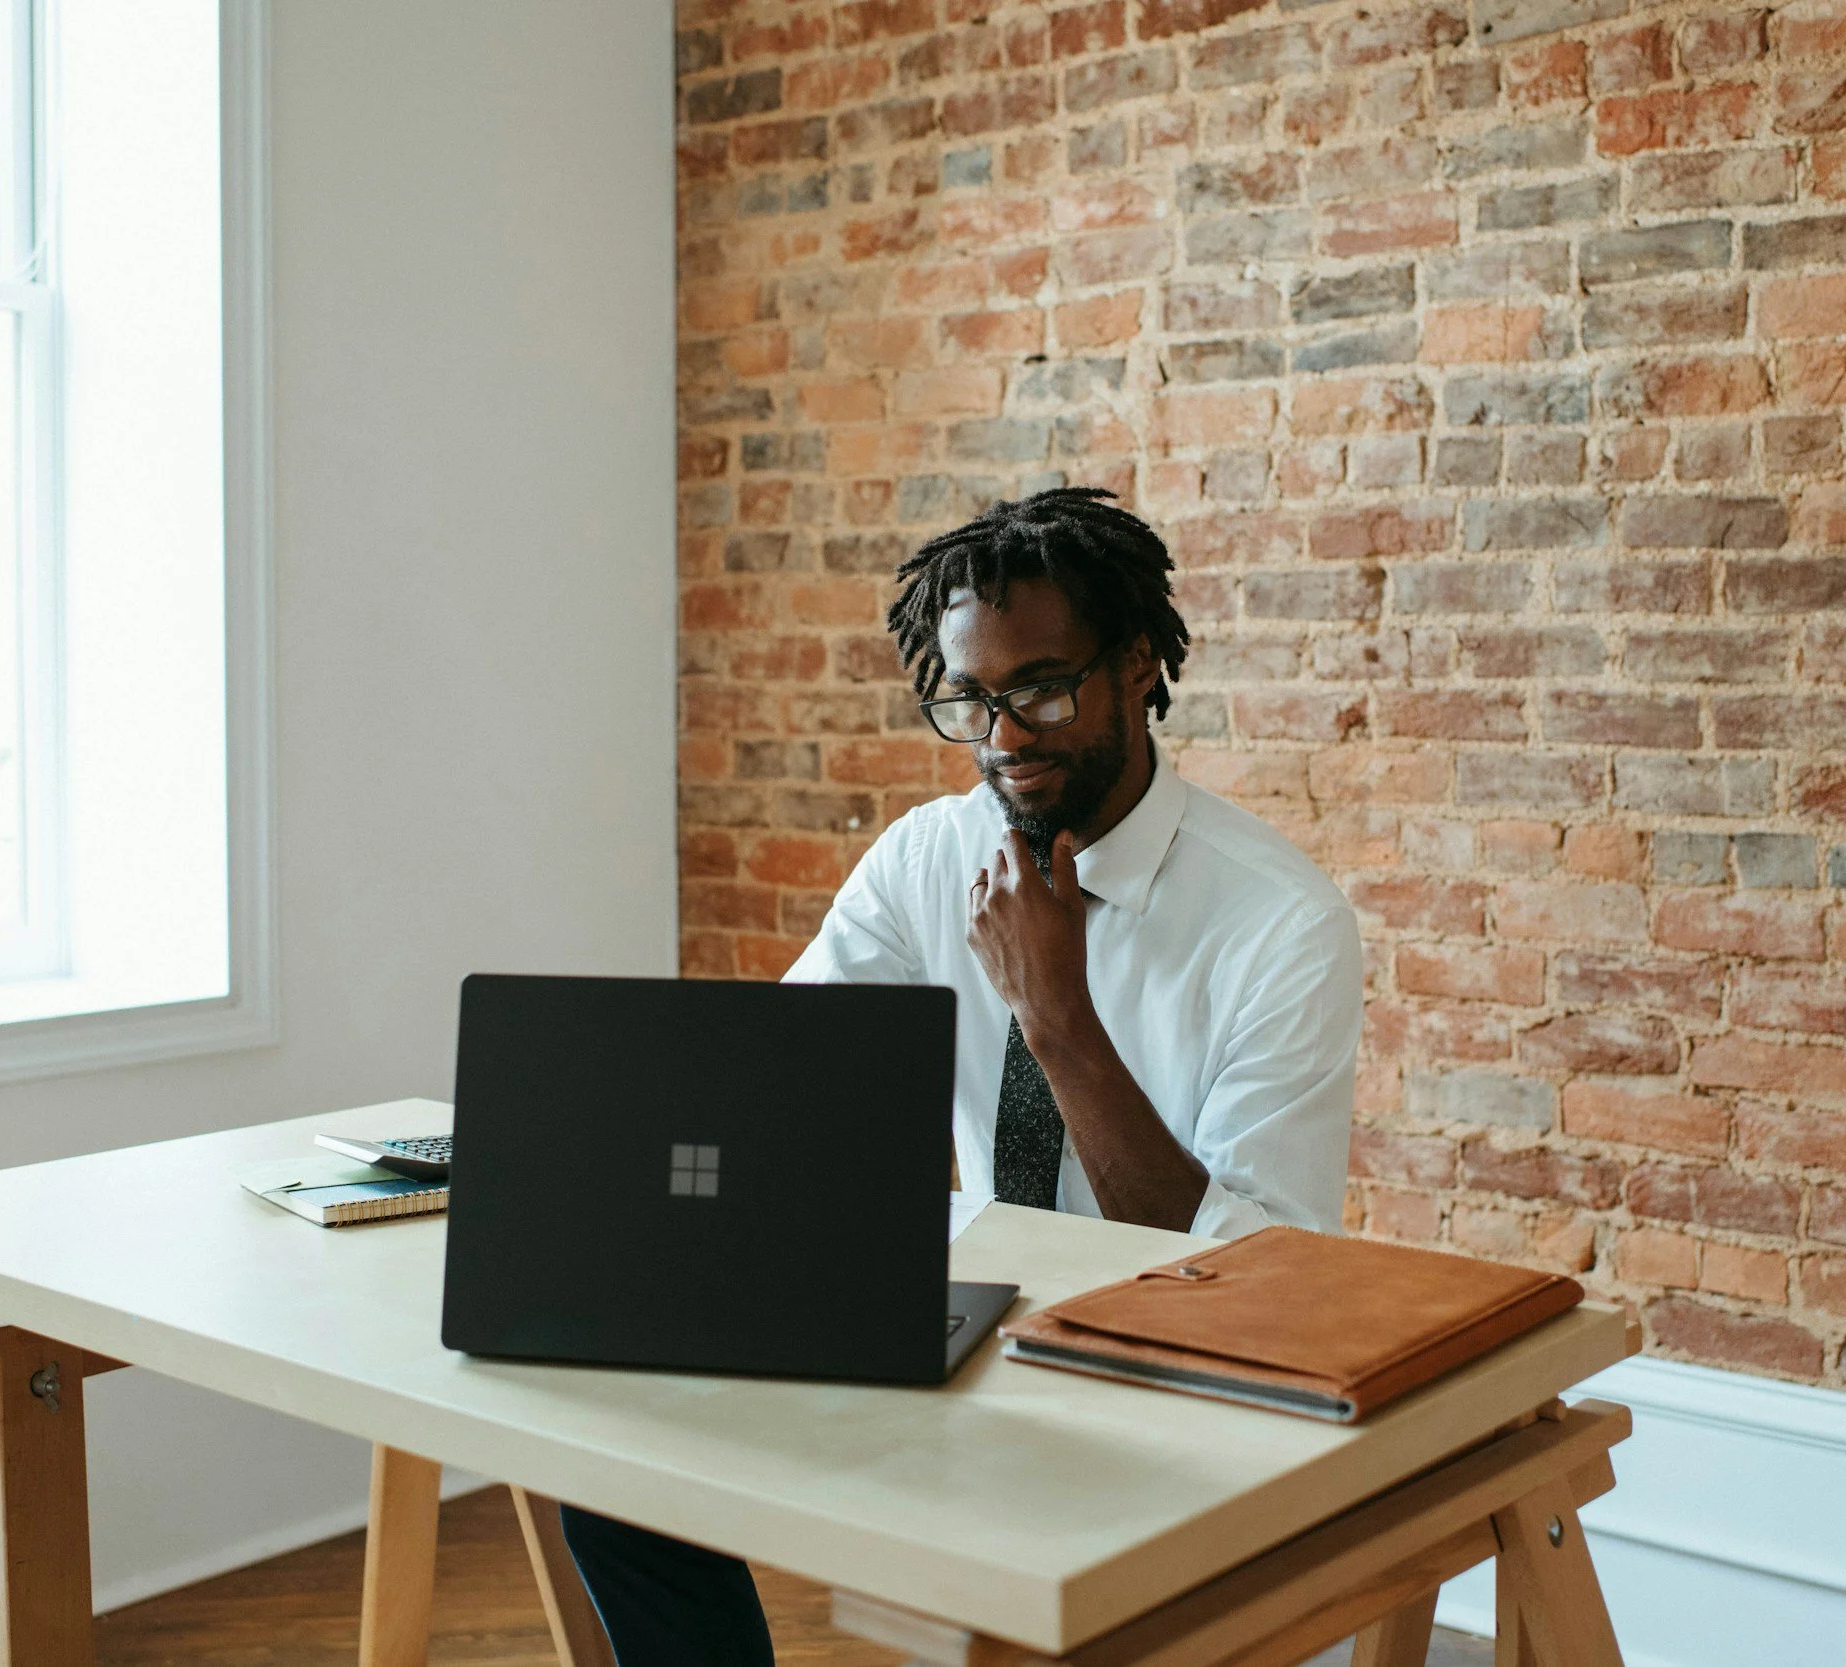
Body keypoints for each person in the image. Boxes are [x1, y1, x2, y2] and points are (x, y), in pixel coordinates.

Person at [559, 485, 1364, 1667]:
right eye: (968, 699)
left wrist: (1056, 1016)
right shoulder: (927, 859)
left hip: (1161, 1373)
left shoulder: (1280, 924)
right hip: (966, 1325)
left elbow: (1252, 1277)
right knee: (611, 1460)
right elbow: (774, 1083)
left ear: (1139, 664)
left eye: (1040, 688)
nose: (1003, 738)